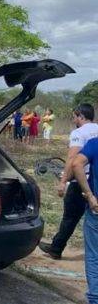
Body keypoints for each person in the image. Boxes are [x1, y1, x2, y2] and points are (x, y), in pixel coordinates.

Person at [40, 104, 98, 259]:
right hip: (95, 179)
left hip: (81, 180)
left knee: (70, 216)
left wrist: (63, 181)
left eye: (74, 116)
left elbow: (73, 159)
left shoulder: (79, 133)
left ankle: (56, 248)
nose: (73, 119)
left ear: (80, 116)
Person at [69, 139, 98, 304]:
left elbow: (76, 163)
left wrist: (89, 195)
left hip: (96, 209)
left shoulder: (95, 144)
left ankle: (95, 302)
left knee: (94, 255)